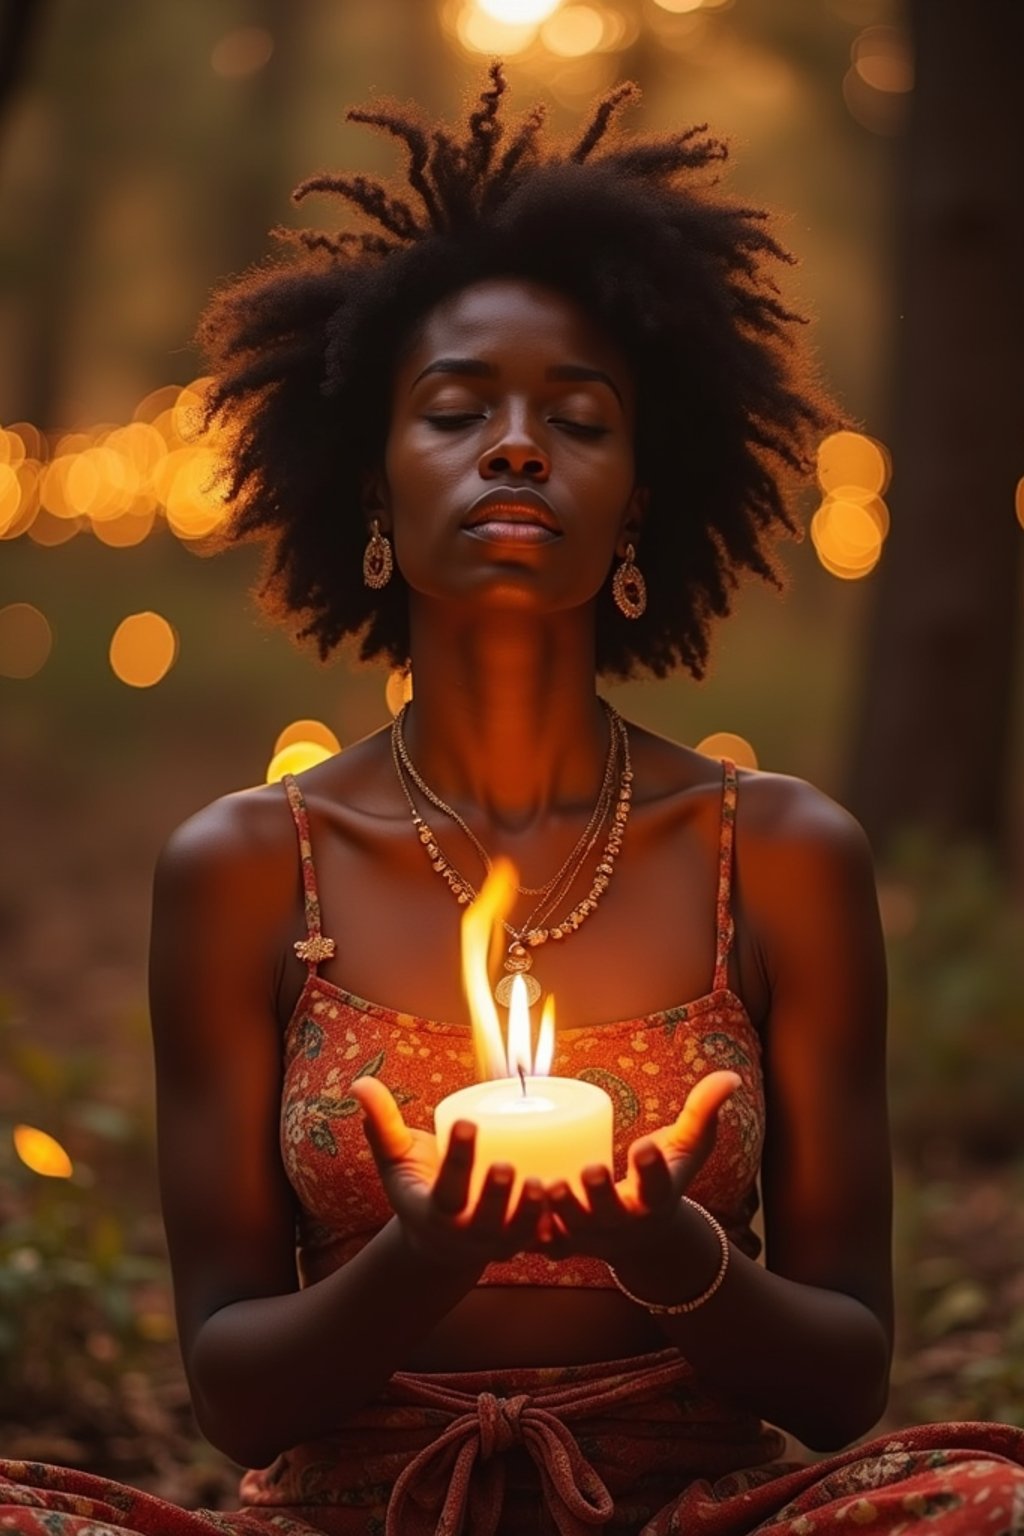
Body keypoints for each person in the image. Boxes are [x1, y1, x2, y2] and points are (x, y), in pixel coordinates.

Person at [2, 64, 1022, 1536]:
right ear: (372, 490)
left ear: (641, 504)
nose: (519, 444)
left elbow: (844, 1378)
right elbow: (231, 1388)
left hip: (698, 1511)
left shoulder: (781, 854)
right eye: (457, 408)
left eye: (580, 419)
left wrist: (672, 1254)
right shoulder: (244, 866)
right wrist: (420, 1259)